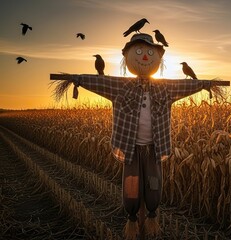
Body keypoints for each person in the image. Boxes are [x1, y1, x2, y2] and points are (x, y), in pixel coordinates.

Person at [68, 33, 214, 239]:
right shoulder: (120, 87)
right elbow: (98, 82)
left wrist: (205, 84)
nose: (144, 57)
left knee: (154, 183)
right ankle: (132, 219)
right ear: (127, 56)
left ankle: (152, 215)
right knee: (132, 184)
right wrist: (78, 80)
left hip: (155, 149)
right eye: (138, 52)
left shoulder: (166, 87)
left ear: (158, 57)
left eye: (148, 52)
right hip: (131, 149)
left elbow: (188, 84)